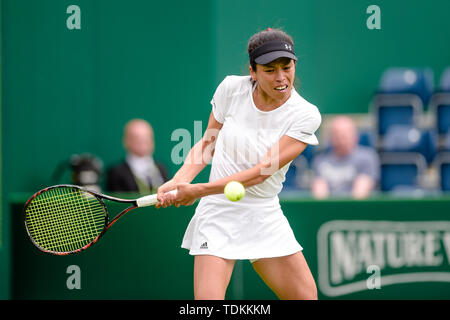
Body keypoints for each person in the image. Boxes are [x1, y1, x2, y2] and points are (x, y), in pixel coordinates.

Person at [156, 28, 321, 300]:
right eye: (269, 70)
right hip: (218, 212)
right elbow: (209, 141)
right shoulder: (232, 89)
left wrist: (196, 191)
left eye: (286, 66)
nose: (281, 77)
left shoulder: (305, 115)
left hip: (263, 213)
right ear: (252, 71)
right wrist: (179, 179)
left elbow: (260, 173)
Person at [311, 115, 379, 199]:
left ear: (355, 137)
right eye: (336, 136)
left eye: (344, 136)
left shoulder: (367, 158)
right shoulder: (320, 161)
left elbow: (360, 194)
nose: (340, 140)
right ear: (330, 138)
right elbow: (319, 196)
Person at [107, 119, 169, 194]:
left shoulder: (161, 168)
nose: (143, 141)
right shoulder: (117, 172)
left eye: (147, 137)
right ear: (126, 141)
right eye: (137, 138)